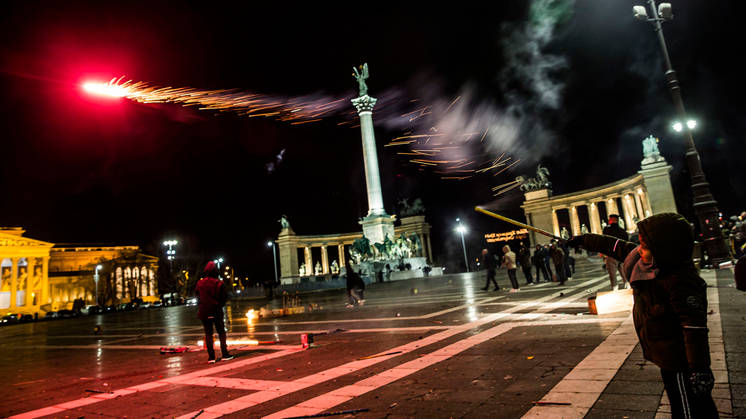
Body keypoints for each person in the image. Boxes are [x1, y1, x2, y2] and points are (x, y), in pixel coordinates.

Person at [568, 213, 718, 418]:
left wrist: (699, 368)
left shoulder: (681, 280)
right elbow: (613, 246)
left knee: (686, 406)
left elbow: (694, 329)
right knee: (687, 401)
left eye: (644, 246)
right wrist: (582, 239)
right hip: (665, 353)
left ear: (664, 248)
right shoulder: (648, 261)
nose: (639, 249)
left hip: (681, 360)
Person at [195, 261, 233, 364]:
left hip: (204, 311)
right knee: (221, 332)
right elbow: (224, 298)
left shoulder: (200, 283)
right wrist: (219, 305)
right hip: (216, 310)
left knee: (208, 334)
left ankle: (211, 357)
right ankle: (224, 354)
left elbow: (197, 297)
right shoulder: (219, 283)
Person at [602, 214, 629, 290]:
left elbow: (604, 242)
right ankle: (627, 284)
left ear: (612, 220)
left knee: (612, 273)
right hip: (622, 255)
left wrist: (603, 253)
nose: (609, 221)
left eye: (610, 219)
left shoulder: (606, 230)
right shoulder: (622, 231)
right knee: (623, 271)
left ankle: (615, 287)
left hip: (611, 254)